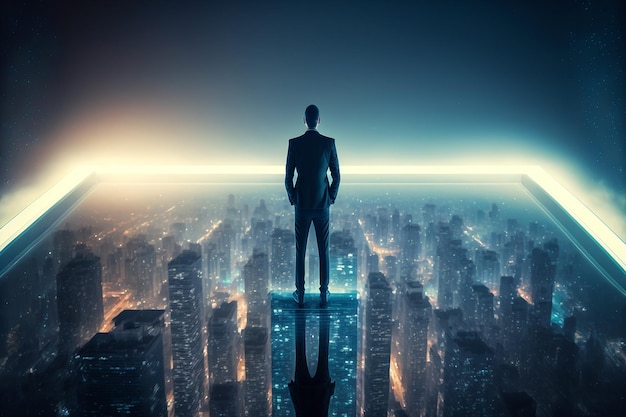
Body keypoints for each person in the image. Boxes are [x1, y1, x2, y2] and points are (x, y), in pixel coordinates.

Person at [285, 104, 340, 306]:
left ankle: (300, 294)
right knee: (323, 250)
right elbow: (336, 175)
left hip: (302, 205)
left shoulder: (294, 143)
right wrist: (330, 197)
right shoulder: (329, 143)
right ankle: (324, 294)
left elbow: (288, 176)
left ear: (304, 120)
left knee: (300, 250)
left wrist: (293, 198)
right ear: (319, 120)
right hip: (322, 205)